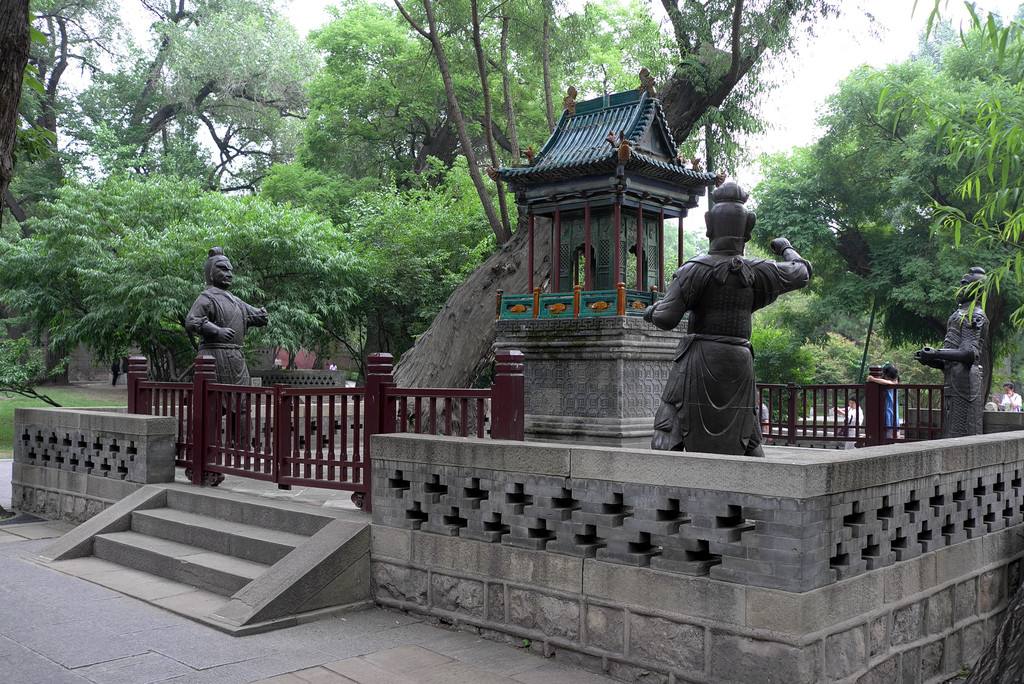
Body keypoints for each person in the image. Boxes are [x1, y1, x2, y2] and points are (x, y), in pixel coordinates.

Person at [643, 181, 812, 456]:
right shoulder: (762, 271)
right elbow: (801, 272)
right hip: (739, 360)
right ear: (748, 227)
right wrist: (786, 248)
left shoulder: (693, 269)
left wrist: (650, 312)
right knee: (747, 427)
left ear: (709, 225)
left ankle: (664, 485)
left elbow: (666, 317)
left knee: (670, 424)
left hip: (697, 361)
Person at [915, 267, 988, 438]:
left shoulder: (975, 314)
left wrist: (937, 353)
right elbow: (951, 359)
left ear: (976, 289)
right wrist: (930, 358)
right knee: (951, 434)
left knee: (962, 434)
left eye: (964, 284)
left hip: (965, 384)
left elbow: (969, 354)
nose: (960, 288)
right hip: (953, 380)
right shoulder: (959, 314)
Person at [185, 247, 269, 385]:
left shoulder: (235, 300)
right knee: (217, 399)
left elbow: (252, 314)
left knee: (241, 400)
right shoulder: (207, 297)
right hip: (215, 356)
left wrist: (261, 315)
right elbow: (192, 321)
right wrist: (217, 331)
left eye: (230, 270)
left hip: (237, 358)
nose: (229, 274)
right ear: (210, 273)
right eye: (223, 269)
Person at [868, 363, 900, 441]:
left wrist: (873, 379)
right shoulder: (886, 382)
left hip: (890, 412)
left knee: (891, 436)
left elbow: (890, 382)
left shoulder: (894, 382)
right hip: (888, 411)